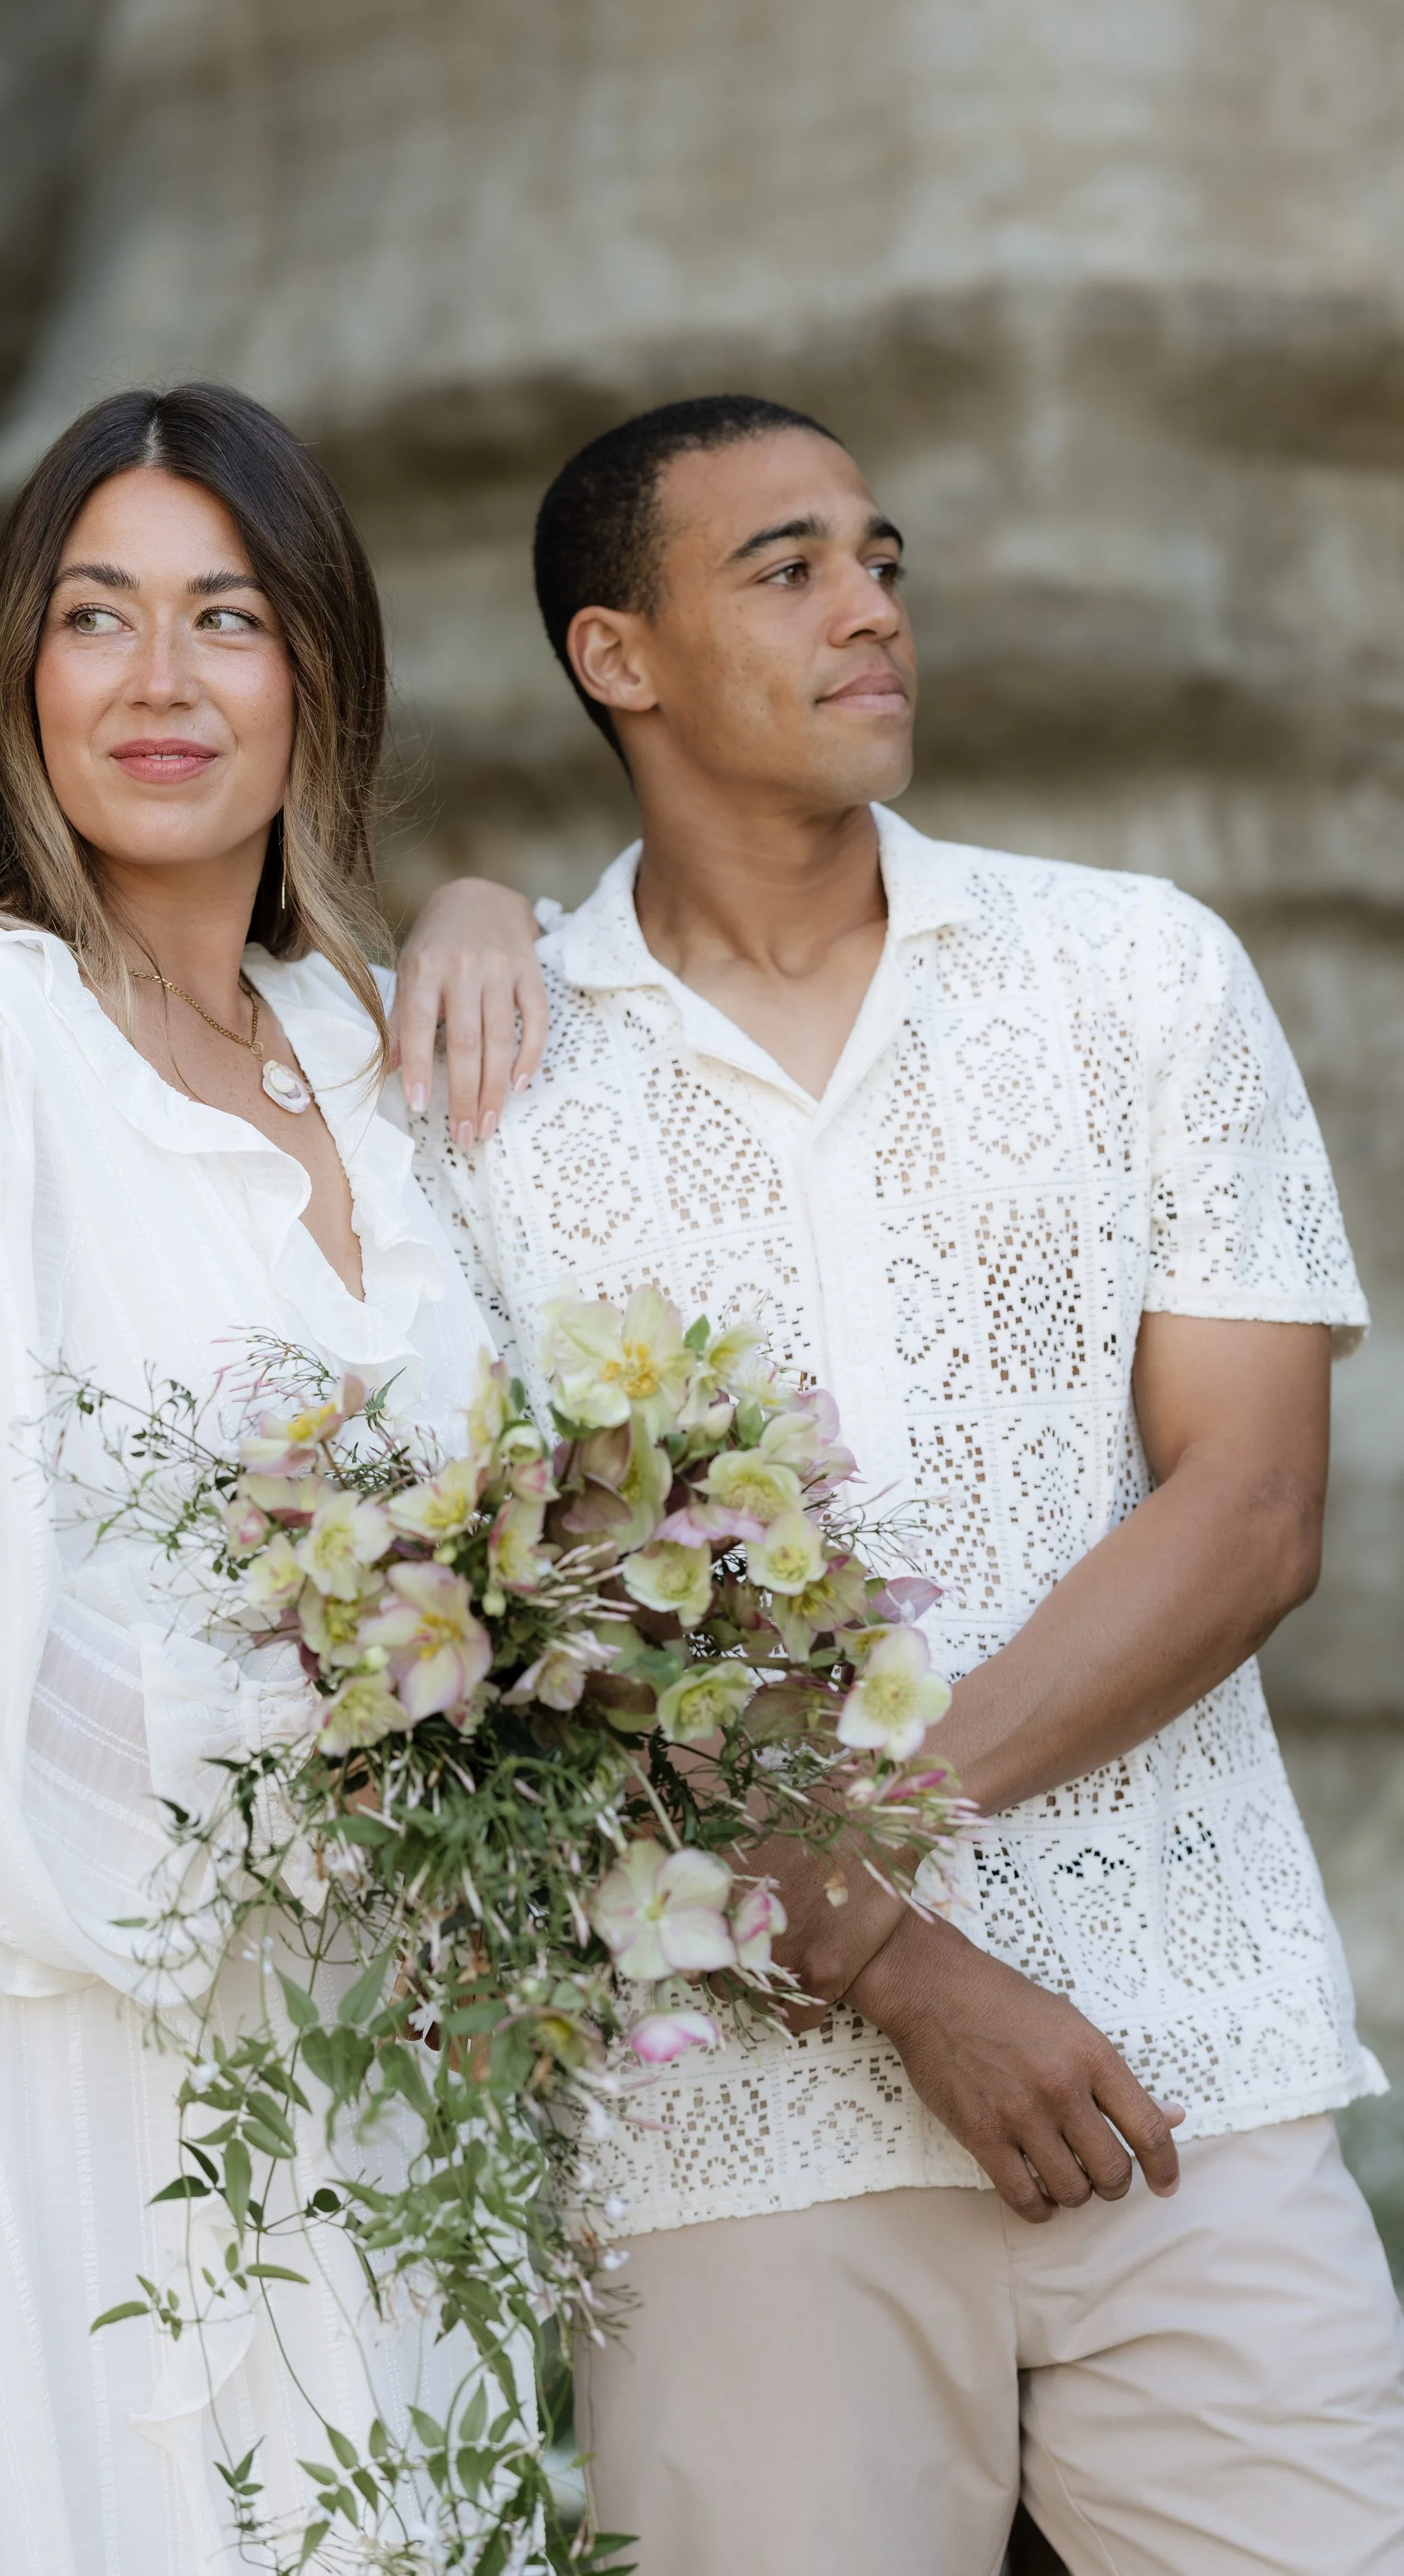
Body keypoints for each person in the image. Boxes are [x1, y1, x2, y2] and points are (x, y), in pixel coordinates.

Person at [400, 395, 1404, 2574]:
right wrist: (900, 1977)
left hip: (1185, 2075)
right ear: (615, 655)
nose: (870, 605)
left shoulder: (1134, 968)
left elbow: (1247, 1514)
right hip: (732, 2138)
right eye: (783, 567)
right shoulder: (473, 1089)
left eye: (880, 557)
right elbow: (496, 1641)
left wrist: (860, 1878)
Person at [0, 383, 532, 2575]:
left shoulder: (363, 1045)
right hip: (54, 1997)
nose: (159, 683)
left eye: (229, 618)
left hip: (367, 2037)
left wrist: (485, 902)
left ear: (322, 678)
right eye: (97, 618)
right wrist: (286, 1797)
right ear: (22, 675)